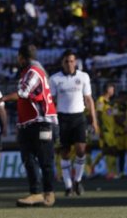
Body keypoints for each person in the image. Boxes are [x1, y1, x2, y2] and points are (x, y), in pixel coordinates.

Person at [0, 44, 57, 207]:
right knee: (28, 158)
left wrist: (2, 99)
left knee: (44, 159)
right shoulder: (31, 72)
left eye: (18, 57)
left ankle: (48, 193)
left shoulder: (34, 72)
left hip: (43, 123)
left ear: (22, 57)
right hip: (30, 124)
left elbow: (23, 93)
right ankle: (36, 193)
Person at [49, 50, 99, 196]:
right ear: (62, 63)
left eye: (72, 61)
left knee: (81, 150)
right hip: (62, 118)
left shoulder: (83, 77)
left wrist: (94, 120)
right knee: (64, 152)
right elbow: (51, 101)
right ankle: (68, 185)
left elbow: (89, 100)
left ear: (75, 62)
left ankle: (77, 180)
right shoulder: (55, 79)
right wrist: (51, 120)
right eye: (66, 61)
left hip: (79, 117)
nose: (69, 64)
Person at [95, 83, 118, 179]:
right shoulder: (101, 101)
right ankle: (110, 172)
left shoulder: (110, 102)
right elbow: (98, 115)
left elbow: (113, 116)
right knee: (110, 150)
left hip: (112, 130)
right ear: (108, 89)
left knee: (110, 151)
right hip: (105, 130)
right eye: (112, 89)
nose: (113, 91)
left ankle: (111, 172)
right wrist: (99, 130)